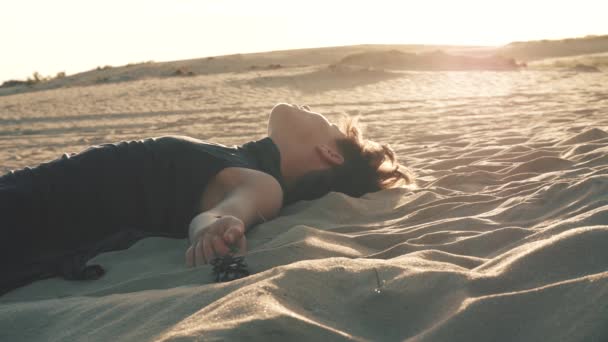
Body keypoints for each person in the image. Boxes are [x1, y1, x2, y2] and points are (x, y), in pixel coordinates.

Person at [0, 103, 414, 295]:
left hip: (30, 211)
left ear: (329, 154)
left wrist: (218, 227)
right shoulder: (242, 158)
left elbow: (223, 211)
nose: (310, 109)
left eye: (322, 120)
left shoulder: (264, 183)